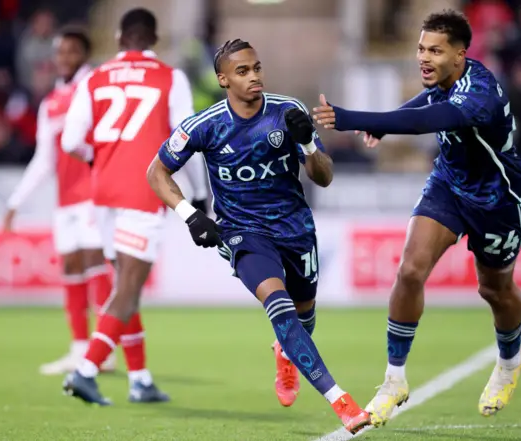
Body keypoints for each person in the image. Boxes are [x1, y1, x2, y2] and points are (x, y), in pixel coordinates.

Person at [312, 9, 521, 427]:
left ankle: (509, 359)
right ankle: (394, 379)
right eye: (420, 48)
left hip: (498, 199)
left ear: (460, 55)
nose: (424, 57)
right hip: (448, 186)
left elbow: (430, 119)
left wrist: (356, 119)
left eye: (435, 50)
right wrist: (387, 124)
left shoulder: (480, 93)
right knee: (410, 271)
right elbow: (425, 102)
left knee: (495, 290)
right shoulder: (446, 80)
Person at [146, 39, 371, 434]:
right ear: (223, 80)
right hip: (242, 233)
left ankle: (286, 352)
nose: (254, 77)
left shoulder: (288, 112)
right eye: (243, 71)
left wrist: (305, 143)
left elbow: (325, 176)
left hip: (295, 229)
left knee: (303, 316)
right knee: (278, 304)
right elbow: (156, 173)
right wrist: (189, 214)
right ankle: (341, 401)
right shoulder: (206, 125)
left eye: (257, 68)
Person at [60, 8, 208, 405]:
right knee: (128, 287)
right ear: (154, 39)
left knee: (126, 284)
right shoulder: (169, 77)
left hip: (104, 193)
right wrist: (197, 193)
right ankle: (86, 370)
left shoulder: (94, 77)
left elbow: (70, 140)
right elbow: (185, 139)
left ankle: (139, 379)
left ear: (117, 36)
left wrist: (102, 160)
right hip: (144, 192)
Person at [4, 27, 116, 376]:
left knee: (94, 259)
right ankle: (79, 349)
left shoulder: (96, 89)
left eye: (71, 51)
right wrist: (15, 202)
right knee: (70, 265)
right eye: (59, 52)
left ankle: (104, 349)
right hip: (65, 198)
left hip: (94, 193)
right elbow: (43, 158)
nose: (64, 58)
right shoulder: (51, 102)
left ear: (84, 53)